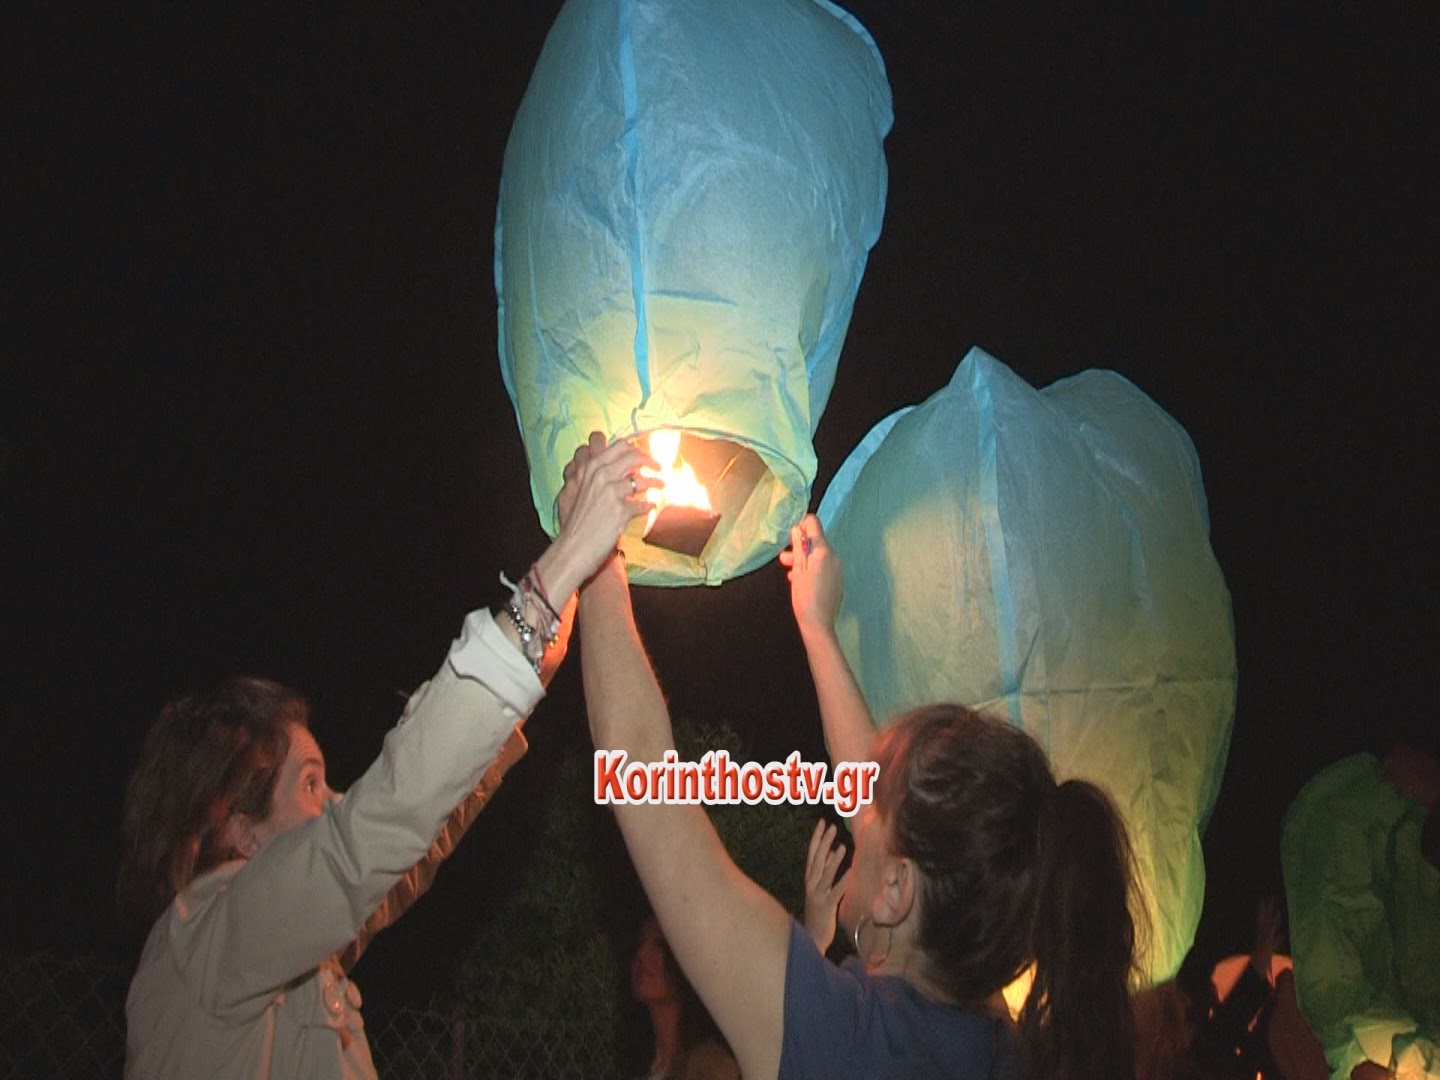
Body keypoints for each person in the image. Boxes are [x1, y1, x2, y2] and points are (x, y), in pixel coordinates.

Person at [573, 438, 1141, 1080]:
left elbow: (641, 772)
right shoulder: (1000, 1049)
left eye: (872, 811)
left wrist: (594, 552)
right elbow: (882, 802)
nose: (854, 800)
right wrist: (817, 627)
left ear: (897, 890)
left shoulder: (840, 1040)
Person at [115, 436, 655, 1079]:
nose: (335, 802)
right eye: (310, 785)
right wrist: (557, 571)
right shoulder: (203, 944)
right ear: (242, 831)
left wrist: (542, 637)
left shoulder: (282, 959)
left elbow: (418, 831)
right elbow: (375, 826)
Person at [624, 913, 741, 1080]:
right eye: (640, 943)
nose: (642, 954)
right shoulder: (641, 1062)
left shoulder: (710, 1066)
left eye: (660, 945)